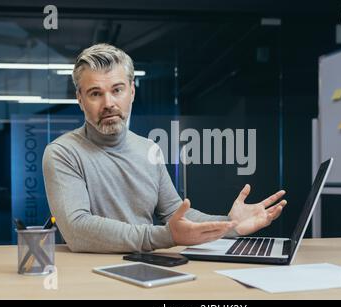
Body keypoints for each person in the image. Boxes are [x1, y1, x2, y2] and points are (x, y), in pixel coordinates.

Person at [42, 43, 287, 253]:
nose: (109, 103)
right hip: (88, 279)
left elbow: (174, 213)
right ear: (80, 99)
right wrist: (166, 236)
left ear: (132, 92)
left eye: (117, 90)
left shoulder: (149, 149)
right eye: (95, 93)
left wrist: (230, 223)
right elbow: (77, 229)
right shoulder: (63, 153)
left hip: (145, 267)